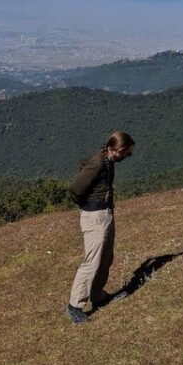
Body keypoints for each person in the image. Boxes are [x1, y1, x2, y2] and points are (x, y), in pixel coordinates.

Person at [66, 131, 135, 323]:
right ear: (119, 150)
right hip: (95, 216)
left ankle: (97, 295)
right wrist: (88, 206)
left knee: (105, 258)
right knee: (92, 262)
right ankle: (75, 305)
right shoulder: (98, 163)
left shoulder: (107, 159)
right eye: (127, 153)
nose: (128, 157)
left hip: (104, 213)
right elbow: (75, 188)